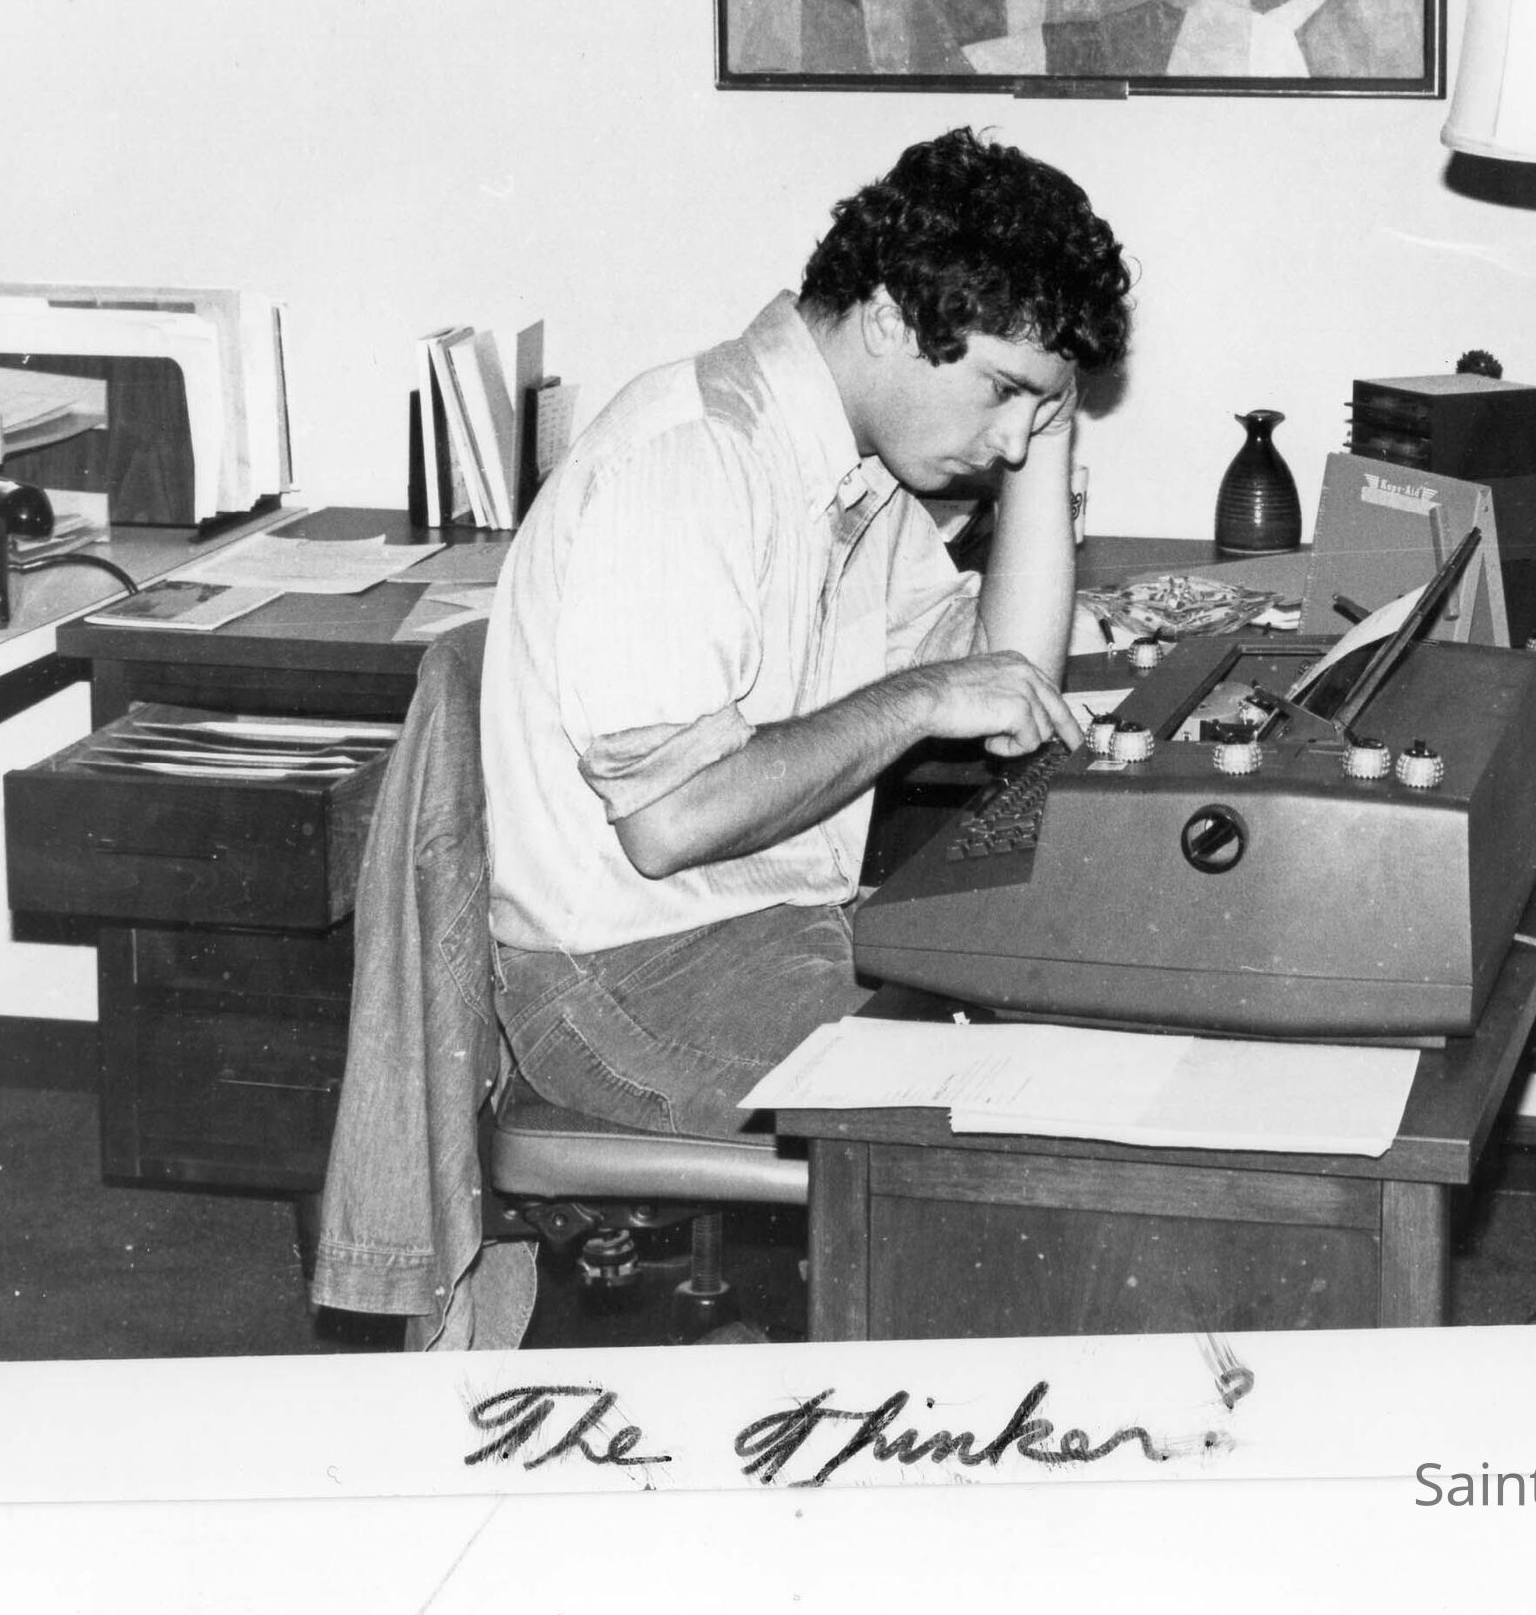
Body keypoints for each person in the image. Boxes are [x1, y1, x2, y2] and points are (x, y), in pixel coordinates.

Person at [480, 127, 1133, 1140]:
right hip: (627, 977)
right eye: (1002, 389)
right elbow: (670, 821)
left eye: (1034, 405)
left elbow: (1012, 684)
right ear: (888, 318)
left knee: (1103, 1023)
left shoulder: (855, 471)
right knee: (1013, 1126)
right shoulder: (696, 457)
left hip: (777, 932)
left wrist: (1045, 438)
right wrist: (919, 699)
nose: (1007, 437)